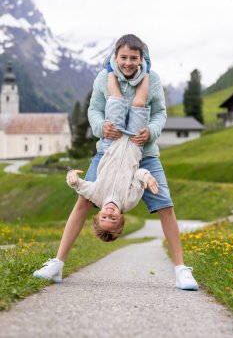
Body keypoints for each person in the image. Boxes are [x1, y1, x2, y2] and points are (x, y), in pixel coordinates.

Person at [33, 34, 198, 291]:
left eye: (134, 58)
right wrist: (101, 126)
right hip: (108, 149)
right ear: (116, 56)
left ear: (142, 58)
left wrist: (151, 132)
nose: (129, 63)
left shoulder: (152, 80)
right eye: (124, 58)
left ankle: (181, 270)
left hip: (145, 153)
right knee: (82, 203)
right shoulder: (103, 78)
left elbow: (160, 114)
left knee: (165, 206)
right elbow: (94, 110)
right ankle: (56, 264)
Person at [66, 68, 158, 242]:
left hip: (111, 143)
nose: (109, 213)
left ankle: (110, 69)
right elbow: (137, 177)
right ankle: (145, 68)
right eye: (113, 218)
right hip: (134, 142)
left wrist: (72, 178)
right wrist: (147, 177)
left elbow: (80, 186)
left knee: (116, 99)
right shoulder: (129, 201)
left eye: (104, 217)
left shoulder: (96, 196)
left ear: (98, 214)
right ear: (121, 218)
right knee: (139, 103)